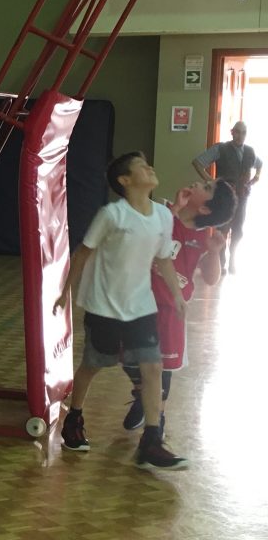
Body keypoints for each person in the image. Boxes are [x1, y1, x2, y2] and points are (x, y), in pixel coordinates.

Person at [53, 152, 187, 470]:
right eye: (141, 167)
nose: (149, 168)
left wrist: (177, 295)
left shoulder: (163, 215)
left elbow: (164, 259)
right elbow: (83, 252)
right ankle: (74, 419)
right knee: (95, 364)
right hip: (104, 305)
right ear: (125, 181)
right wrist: (65, 291)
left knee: (152, 367)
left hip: (141, 306)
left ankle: (151, 441)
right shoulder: (112, 215)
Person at [121, 179, 236, 434]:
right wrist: (173, 210)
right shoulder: (163, 212)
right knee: (128, 359)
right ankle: (142, 393)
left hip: (171, 309)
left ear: (204, 209)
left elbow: (211, 278)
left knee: (164, 367)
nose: (197, 183)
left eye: (206, 188)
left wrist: (214, 253)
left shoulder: (205, 237)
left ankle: (157, 423)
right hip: (139, 300)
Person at [192, 120, 262, 273]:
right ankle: (221, 261)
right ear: (232, 132)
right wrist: (212, 181)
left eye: (243, 133)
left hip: (242, 198)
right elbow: (198, 163)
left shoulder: (250, 152)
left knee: (238, 230)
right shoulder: (220, 148)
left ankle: (232, 261)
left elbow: (259, 164)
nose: (240, 136)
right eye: (237, 132)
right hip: (224, 199)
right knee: (222, 228)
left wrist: (255, 178)